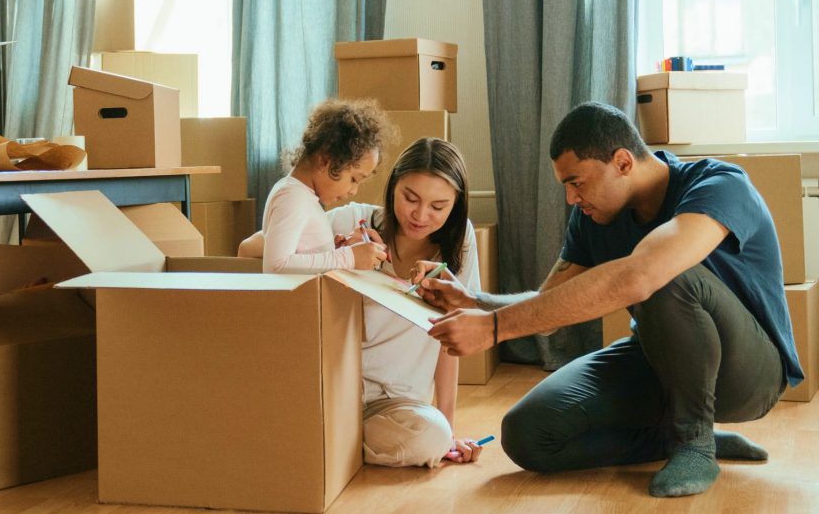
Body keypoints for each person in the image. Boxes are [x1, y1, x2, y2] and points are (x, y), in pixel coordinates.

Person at [417, 101, 801, 497]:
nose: (570, 198)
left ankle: (694, 443)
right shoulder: (592, 217)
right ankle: (672, 438)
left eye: (577, 182)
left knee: (664, 274)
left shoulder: (720, 184)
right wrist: (475, 303)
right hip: (658, 361)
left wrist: (494, 329)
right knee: (528, 434)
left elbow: (644, 275)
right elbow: (550, 306)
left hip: (749, 374)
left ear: (622, 162)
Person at [242, 137, 487, 466]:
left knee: (433, 438)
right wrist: (339, 253)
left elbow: (451, 340)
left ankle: (327, 442)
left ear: (455, 205)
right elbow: (250, 248)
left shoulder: (460, 245)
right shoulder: (353, 220)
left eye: (438, 207)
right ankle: (329, 439)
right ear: (393, 186)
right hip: (334, 388)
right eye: (410, 198)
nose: (420, 215)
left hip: (397, 403)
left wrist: (449, 428)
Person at [260, 98, 391, 274]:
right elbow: (276, 266)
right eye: (354, 179)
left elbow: (301, 259)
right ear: (325, 160)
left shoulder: (303, 197)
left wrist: (332, 252)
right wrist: (348, 257)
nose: (354, 191)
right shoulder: (292, 197)